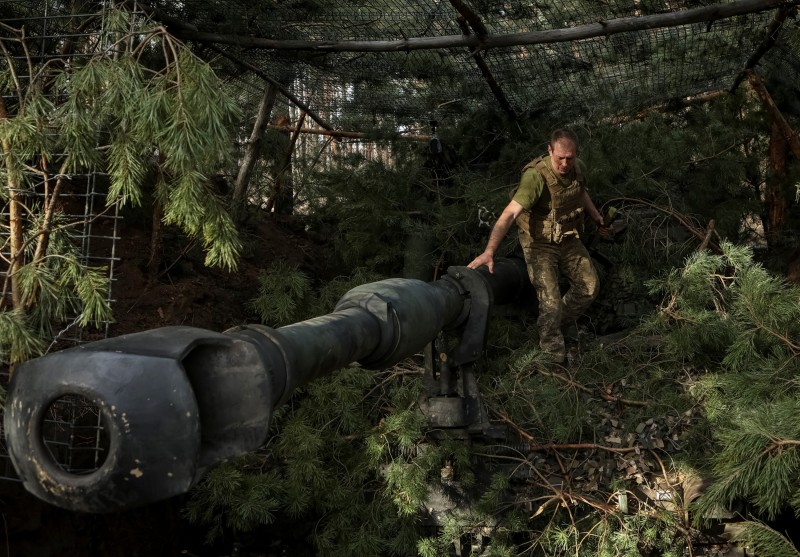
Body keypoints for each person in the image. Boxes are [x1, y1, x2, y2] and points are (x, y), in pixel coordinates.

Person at [467, 129, 609, 364]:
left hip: (568, 238)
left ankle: (551, 324)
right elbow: (509, 214)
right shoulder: (536, 177)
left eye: (570, 158)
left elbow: (580, 193)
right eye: (560, 157)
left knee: (589, 287)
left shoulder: (578, 168)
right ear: (549, 150)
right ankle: (552, 356)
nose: (565, 163)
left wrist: (597, 218)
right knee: (550, 300)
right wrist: (490, 251)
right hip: (539, 244)